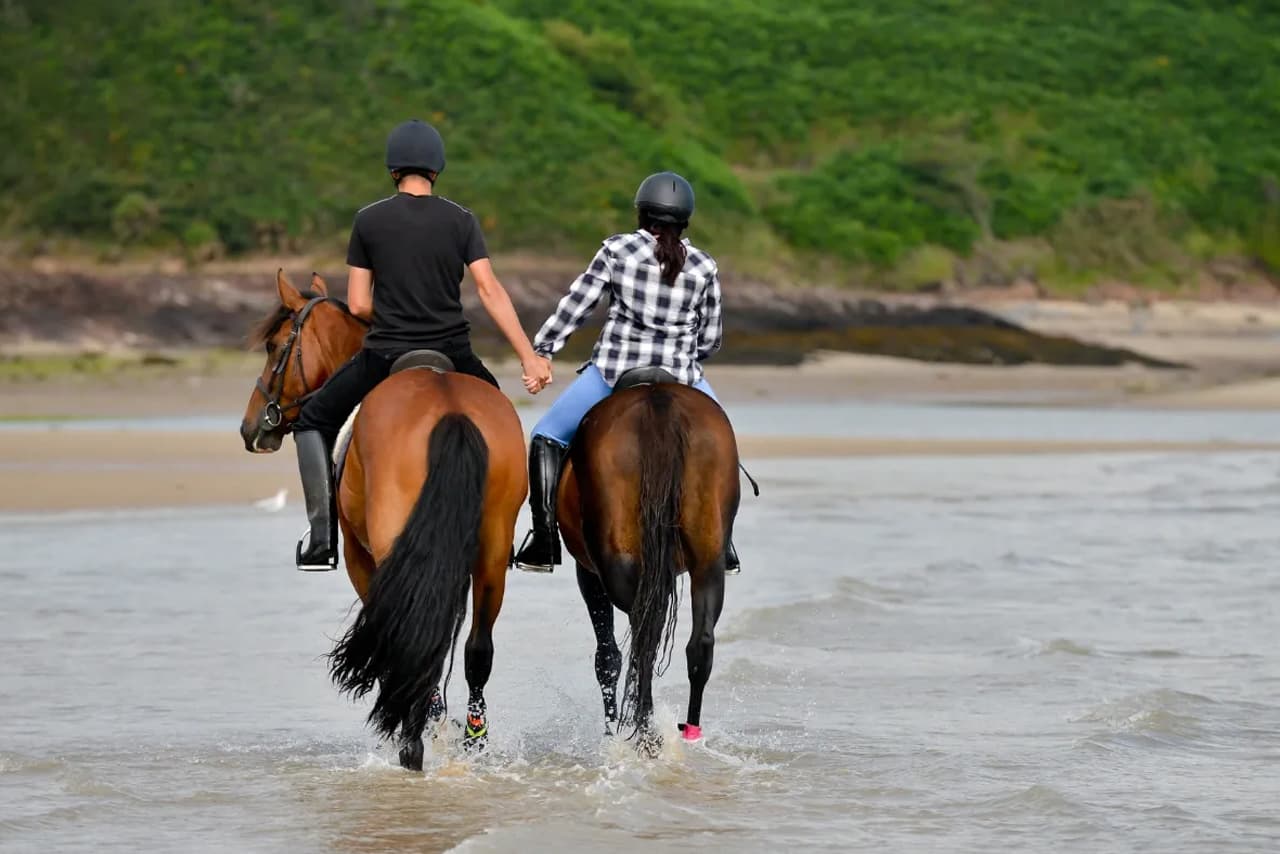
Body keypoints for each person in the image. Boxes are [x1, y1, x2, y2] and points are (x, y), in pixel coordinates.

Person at [292, 119, 552, 571]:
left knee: (312, 420)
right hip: (454, 351)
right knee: (503, 420)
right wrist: (529, 357)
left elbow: (356, 303)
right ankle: (508, 536)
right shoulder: (461, 219)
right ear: (437, 170)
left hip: (387, 353)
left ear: (394, 170)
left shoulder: (368, 220)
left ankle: (321, 538)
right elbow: (489, 290)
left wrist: (393, 310)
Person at [512, 171, 740, 575]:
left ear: (641, 213)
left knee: (545, 437)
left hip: (615, 373)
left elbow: (576, 305)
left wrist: (544, 349)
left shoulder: (616, 250)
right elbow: (712, 338)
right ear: (685, 220)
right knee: (723, 447)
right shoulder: (705, 266)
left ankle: (544, 542)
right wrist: (684, 353)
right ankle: (722, 543)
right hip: (683, 375)